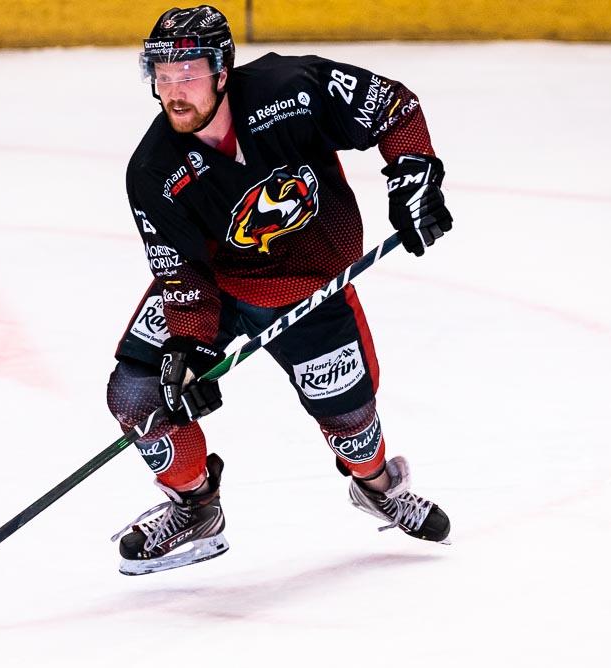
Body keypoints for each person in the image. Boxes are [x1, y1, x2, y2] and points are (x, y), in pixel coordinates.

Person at [107, 5, 454, 576]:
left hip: (310, 285)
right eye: (162, 76)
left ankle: (377, 488)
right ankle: (195, 508)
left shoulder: (291, 88)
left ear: (222, 71)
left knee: (353, 429)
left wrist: (414, 176)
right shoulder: (152, 170)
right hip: (216, 287)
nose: (174, 91)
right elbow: (181, 272)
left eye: (188, 73)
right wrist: (189, 348)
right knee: (139, 392)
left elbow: (393, 107)